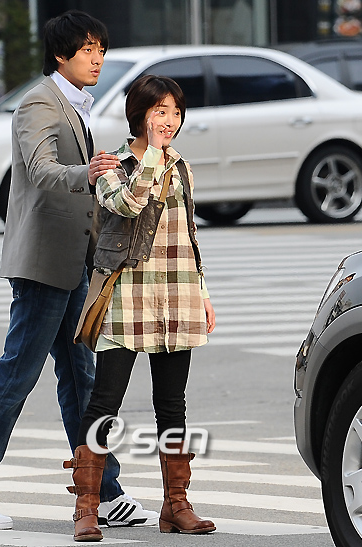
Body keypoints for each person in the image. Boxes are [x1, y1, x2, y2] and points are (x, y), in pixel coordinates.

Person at [0, 10, 157, 532]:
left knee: (81, 378)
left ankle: (102, 492)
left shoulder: (73, 104)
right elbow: (39, 169)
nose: (97, 59)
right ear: (61, 54)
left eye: (101, 49)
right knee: (17, 373)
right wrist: (88, 172)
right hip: (43, 264)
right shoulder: (39, 102)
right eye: (88, 50)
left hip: (73, 262)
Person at [63, 74, 217, 542]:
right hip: (127, 297)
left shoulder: (182, 166)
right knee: (105, 402)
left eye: (175, 112)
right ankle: (87, 507)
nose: (169, 121)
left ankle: (176, 505)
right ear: (140, 115)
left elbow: (189, 235)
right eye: (160, 111)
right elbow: (128, 205)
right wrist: (151, 155)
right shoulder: (113, 166)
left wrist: (203, 293)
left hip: (178, 295)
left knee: (172, 404)